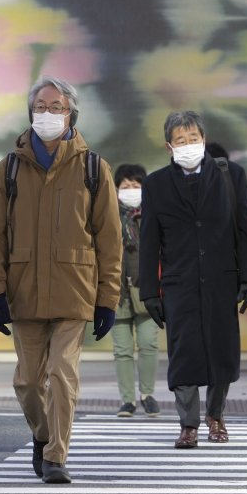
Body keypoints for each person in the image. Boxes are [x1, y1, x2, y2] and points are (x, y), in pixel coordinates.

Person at [0, 76, 122, 484]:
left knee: (62, 375)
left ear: (71, 113)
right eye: (41, 106)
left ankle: (56, 455)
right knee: (26, 382)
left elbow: (110, 241)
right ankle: (42, 436)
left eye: (56, 107)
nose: (48, 113)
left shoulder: (94, 168)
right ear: (30, 112)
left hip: (75, 290)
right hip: (22, 291)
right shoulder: (8, 169)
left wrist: (107, 298)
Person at [139, 110, 247, 449]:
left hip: (221, 281)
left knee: (221, 352)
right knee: (185, 353)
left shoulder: (230, 176)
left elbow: (245, 230)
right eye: (181, 140)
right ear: (169, 146)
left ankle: (217, 416)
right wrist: (149, 290)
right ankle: (188, 424)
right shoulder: (155, 184)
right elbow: (149, 241)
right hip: (179, 284)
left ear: (204, 140)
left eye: (194, 138)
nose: (188, 145)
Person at [112, 163, 161, 418]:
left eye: (136, 186)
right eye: (125, 186)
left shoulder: (153, 214)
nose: (130, 190)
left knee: (148, 343)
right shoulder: (107, 215)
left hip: (146, 288)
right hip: (117, 290)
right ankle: (127, 400)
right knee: (121, 349)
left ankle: (148, 395)